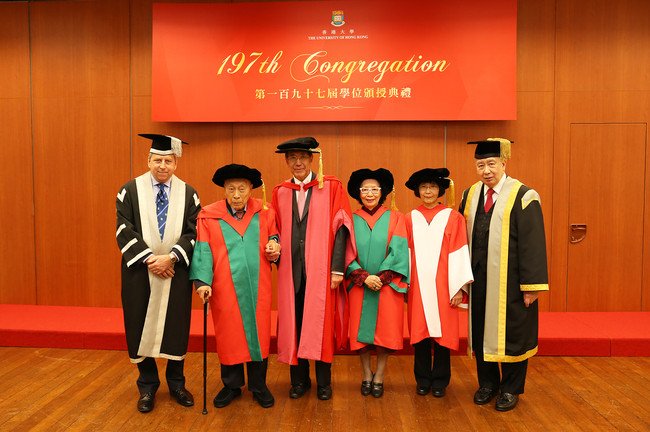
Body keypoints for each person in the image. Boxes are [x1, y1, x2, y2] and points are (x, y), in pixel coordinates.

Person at [459, 138, 549, 412]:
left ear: (503, 163)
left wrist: (531, 286)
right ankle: (487, 384)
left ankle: (510, 388)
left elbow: (533, 244)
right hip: (479, 279)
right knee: (481, 331)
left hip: (511, 282)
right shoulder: (470, 195)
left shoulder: (523, 195)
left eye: (491, 164)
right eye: (480, 165)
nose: (486, 170)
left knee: (513, 335)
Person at [115, 133, 200, 413]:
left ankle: (176, 383)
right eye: (157, 160)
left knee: (176, 325)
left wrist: (172, 257)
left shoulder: (189, 193)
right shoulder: (130, 190)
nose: (162, 165)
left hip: (175, 269)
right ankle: (147, 386)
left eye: (168, 160)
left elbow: (194, 230)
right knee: (138, 325)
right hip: (141, 270)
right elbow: (123, 229)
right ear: (148, 160)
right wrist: (152, 259)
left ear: (175, 163)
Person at [189, 164, 280, 409]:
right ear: (224, 190)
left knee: (259, 334)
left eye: (242, 188)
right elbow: (203, 251)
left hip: (258, 286)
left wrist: (275, 246)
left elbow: (275, 237)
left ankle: (259, 386)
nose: (237, 194)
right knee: (229, 335)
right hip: (224, 287)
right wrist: (203, 283)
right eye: (231, 189)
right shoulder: (208, 216)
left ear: (251, 188)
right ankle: (232, 385)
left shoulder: (265, 212)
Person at [271, 136, 355, 401]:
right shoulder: (280, 191)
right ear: (287, 161)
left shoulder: (331, 187)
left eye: (302, 158)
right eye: (292, 158)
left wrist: (337, 268)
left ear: (312, 159)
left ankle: (324, 383)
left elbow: (341, 228)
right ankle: (299, 382)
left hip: (321, 272)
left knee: (320, 325)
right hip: (291, 272)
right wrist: (273, 245)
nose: (297, 163)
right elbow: (274, 229)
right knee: (295, 325)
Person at [404, 168, 473, 398]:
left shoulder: (453, 218)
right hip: (418, 287)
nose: (428, 191)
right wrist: (405, 283)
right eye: (423, 187)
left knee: (442, 335)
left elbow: (460, 252)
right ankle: (422, 379)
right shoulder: (409, 218)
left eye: (432, 187)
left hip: (444, 287)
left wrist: (458, 288)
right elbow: (405, 253)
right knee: (420, 335)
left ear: (440, 190)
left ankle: (440, 381)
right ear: (417, 191)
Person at [345, 168, 409, 398]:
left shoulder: (396, 218)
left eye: (374, 189)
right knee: (360, 334)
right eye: (365, 190)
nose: (369, 193)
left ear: (382, 192)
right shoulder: (350, 219)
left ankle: (379, 375)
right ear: (358, 193)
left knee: (385, 332)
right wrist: (363, 276)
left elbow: (399, 251)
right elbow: (344, 253)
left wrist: (380, 278)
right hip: (359, 286)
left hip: (386, 286)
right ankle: (365, 374)